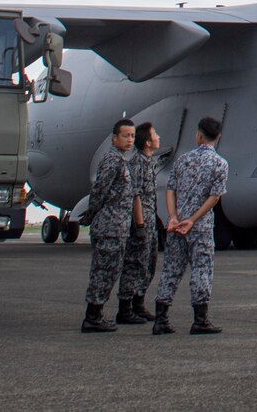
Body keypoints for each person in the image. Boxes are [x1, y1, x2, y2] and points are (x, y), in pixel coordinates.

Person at [154, 115, 229, 336]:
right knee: (202, 271)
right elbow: (214, 197)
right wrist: (193, 220)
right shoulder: (220, 164)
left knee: (170, 271)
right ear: (218, 137)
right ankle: (200, 320)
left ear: (198, 135)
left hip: (177, 225)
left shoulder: (182, 160)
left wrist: (174, 217)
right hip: (200, 226)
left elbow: (170, 189)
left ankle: (160, 319)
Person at [80, 118, 135, 333]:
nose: (130, 140)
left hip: (118, 226)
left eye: (132, 136)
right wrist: (92, 214)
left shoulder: (121, 160)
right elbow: (99, 190)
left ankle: (96, 313)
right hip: (109, 226)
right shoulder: (113, 161)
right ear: (114, 138)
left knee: (110, 270)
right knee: (103, 271)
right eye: (125, 136)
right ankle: (92, 316)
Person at [118, 121, 161, 324]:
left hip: (151, 221)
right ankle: (125, 310)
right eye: (155, 135)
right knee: (134, 265)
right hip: (141, 222)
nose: (158, 137)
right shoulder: (136, 163)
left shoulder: (148, 161)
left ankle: (138, 304)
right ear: (147, 142)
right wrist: (140, 225)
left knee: (147, 264)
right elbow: (135, 195)